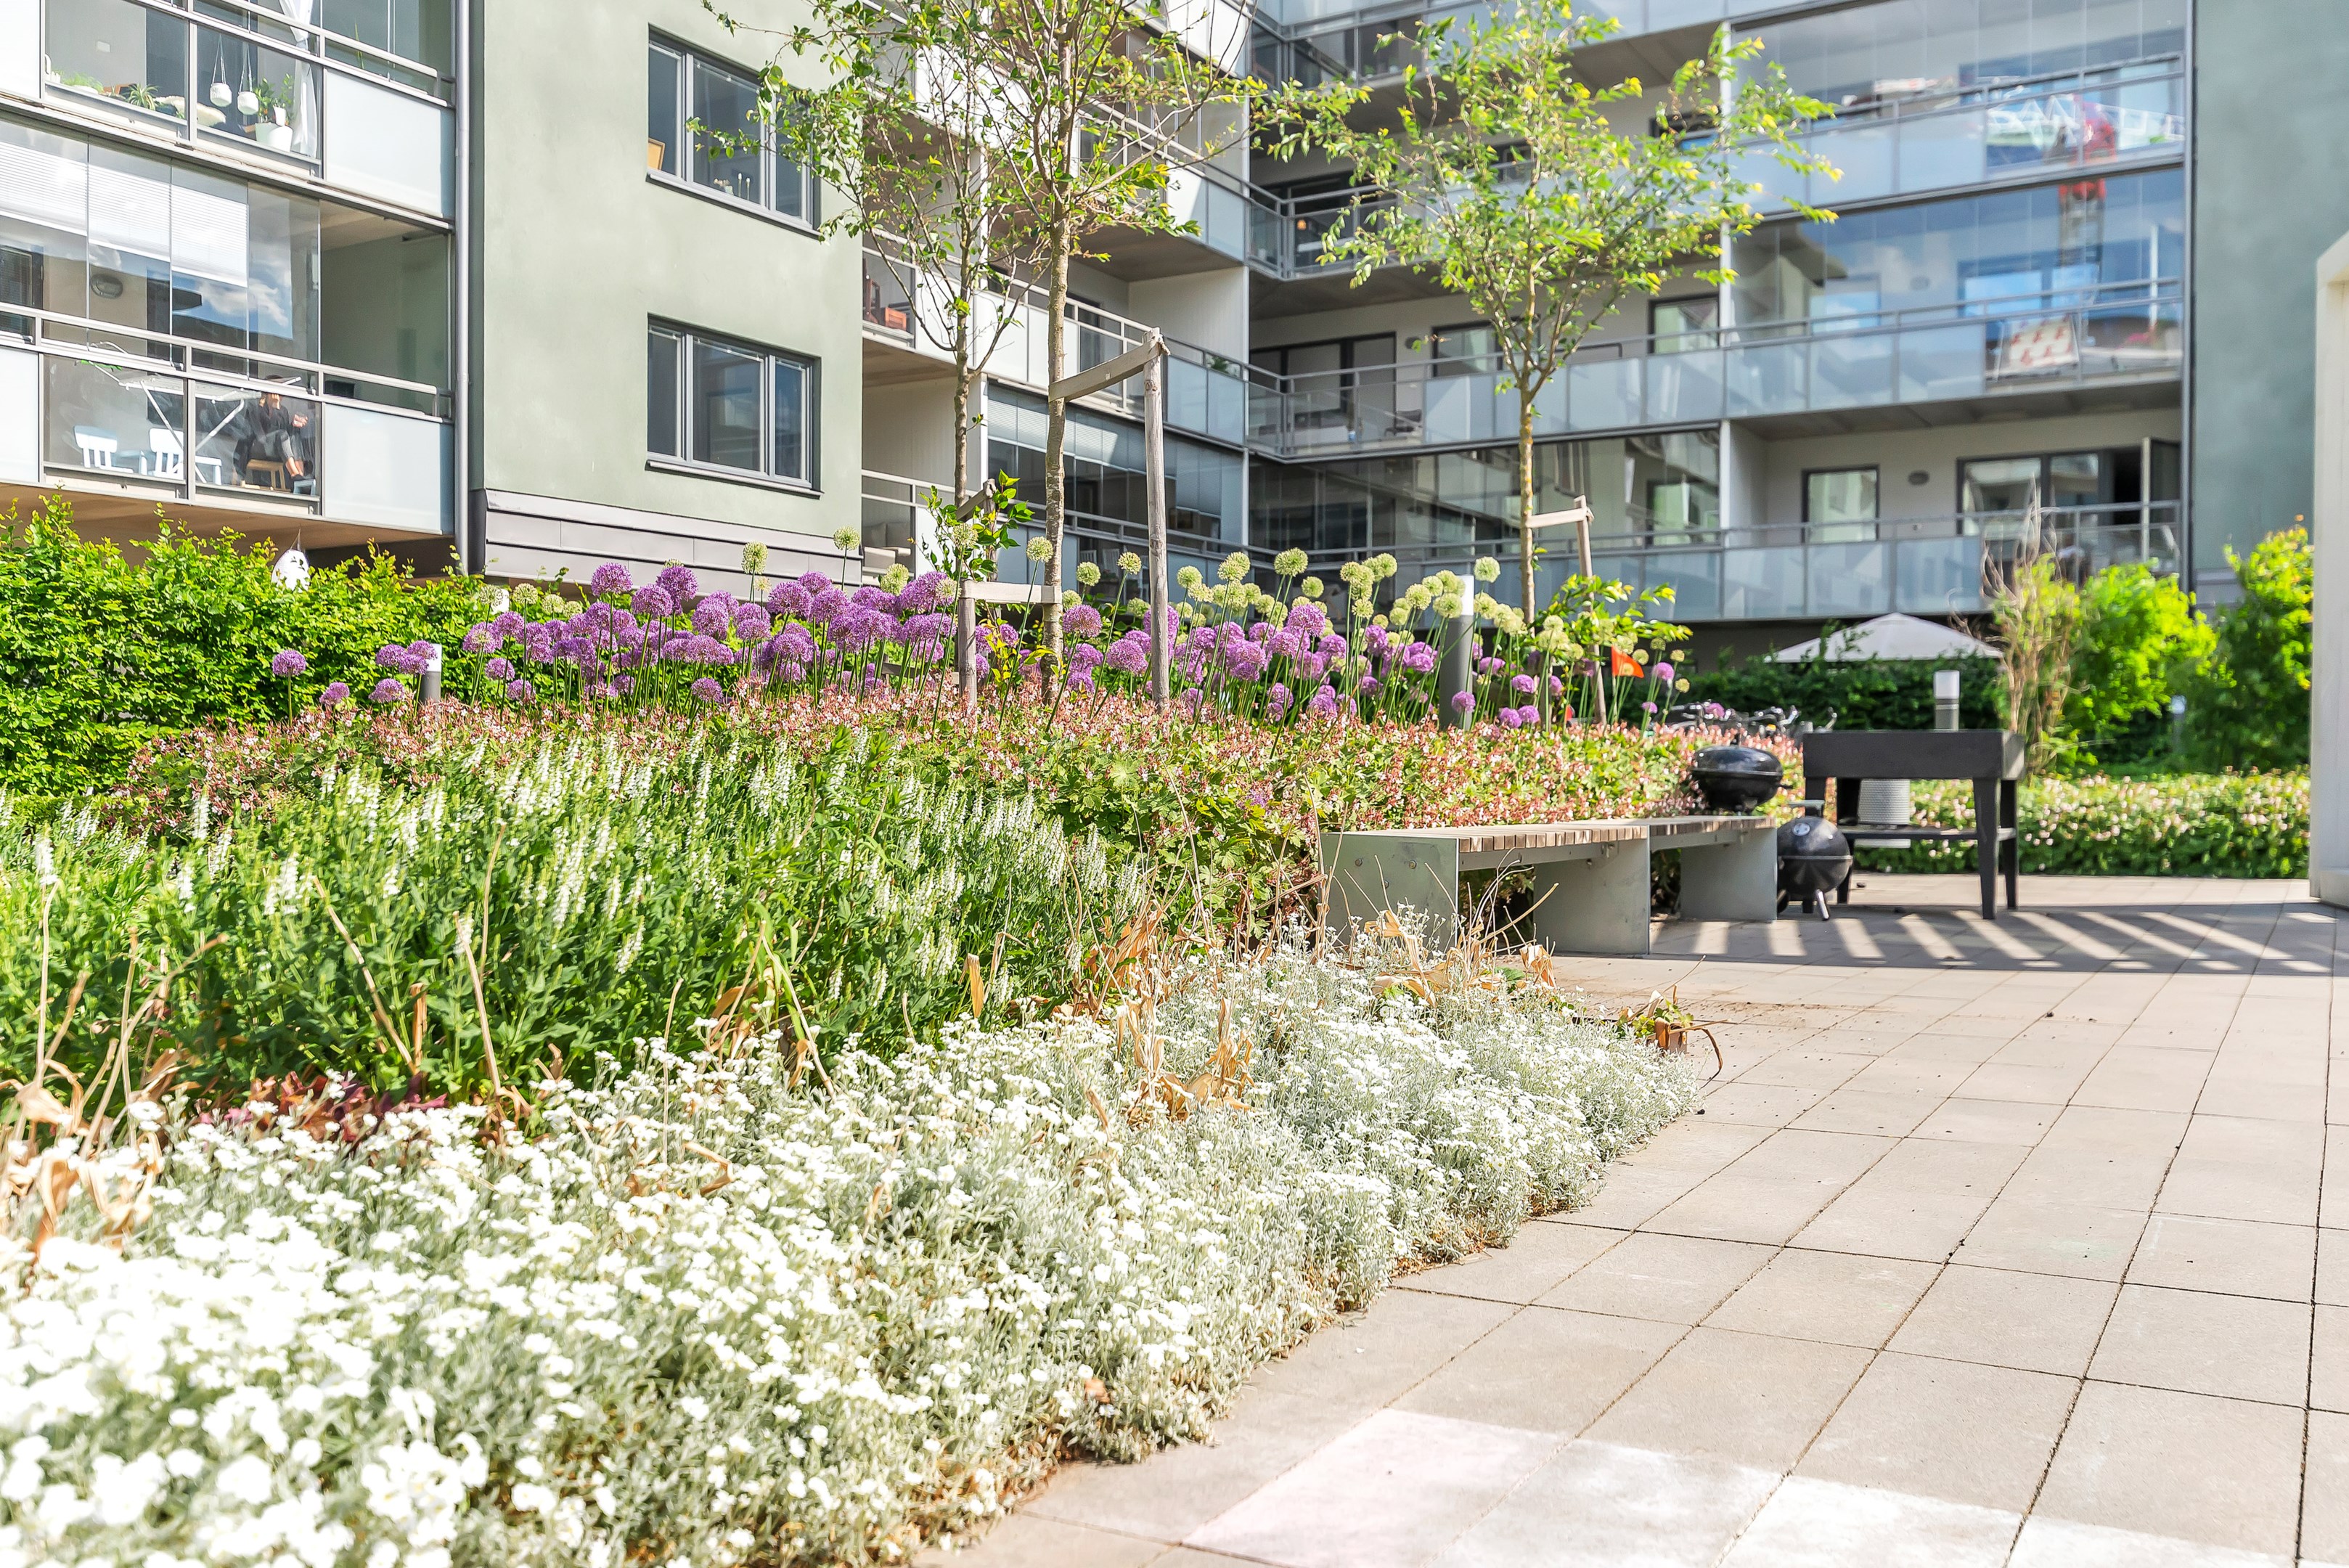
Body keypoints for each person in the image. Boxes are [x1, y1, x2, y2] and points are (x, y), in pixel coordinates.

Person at [237, 391, 312, 487]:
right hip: (257, 447)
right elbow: (262, 435)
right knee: (282, 435)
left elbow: (285, 435)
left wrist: (293, 425)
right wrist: (275, 407)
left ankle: (300, 474)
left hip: (276, 447)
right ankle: (294, 474)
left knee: (294, 434)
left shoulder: (283, 410)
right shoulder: (256, 408)